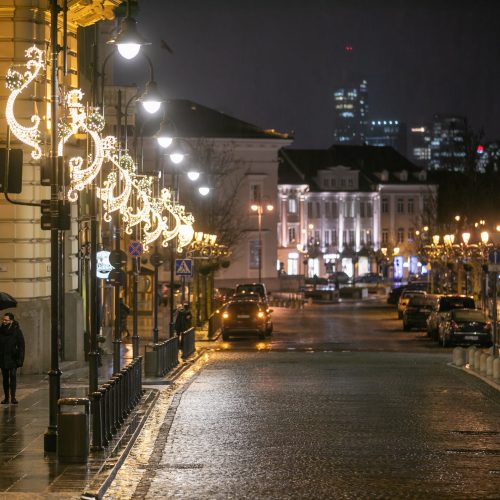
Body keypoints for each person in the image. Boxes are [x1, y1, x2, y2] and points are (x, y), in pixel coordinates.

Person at [0, 312, 25, 404]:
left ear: (11, 321)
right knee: (5, 378)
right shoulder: (1, 330)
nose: (4, 321)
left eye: (6, 320)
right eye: (3, 320)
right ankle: (6, 398)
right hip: (3, 358)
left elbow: (21, 346)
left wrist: (20, 359)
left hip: (13, 358)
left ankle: (13, 397)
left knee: (13, 376)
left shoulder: (17, 331)